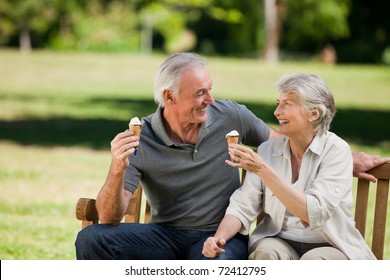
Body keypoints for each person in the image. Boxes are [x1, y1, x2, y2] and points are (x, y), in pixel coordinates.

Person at [76, 53, 387, 260]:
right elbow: (109, 218)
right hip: (165, 235)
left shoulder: (231, 116)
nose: (210, 100)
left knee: (214, 265)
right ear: (169, 96)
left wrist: (348, 157)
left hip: (220, 235)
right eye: (200, 93)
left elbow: (286, 143)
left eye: (210, 89)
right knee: (92, 239)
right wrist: (117, 168)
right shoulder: (140, 136)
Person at [202, 73, 381, 260]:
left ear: (314, 114)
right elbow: (242, 206)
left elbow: (312, 214)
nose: (277, 112)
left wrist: (263, 170)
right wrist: (218, 238)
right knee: (266, 252)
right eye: (278, 103)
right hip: (279, 239)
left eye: (286, 104)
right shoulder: (267, 150)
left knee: (313, 263)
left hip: (330, 244)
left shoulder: (337, 151)